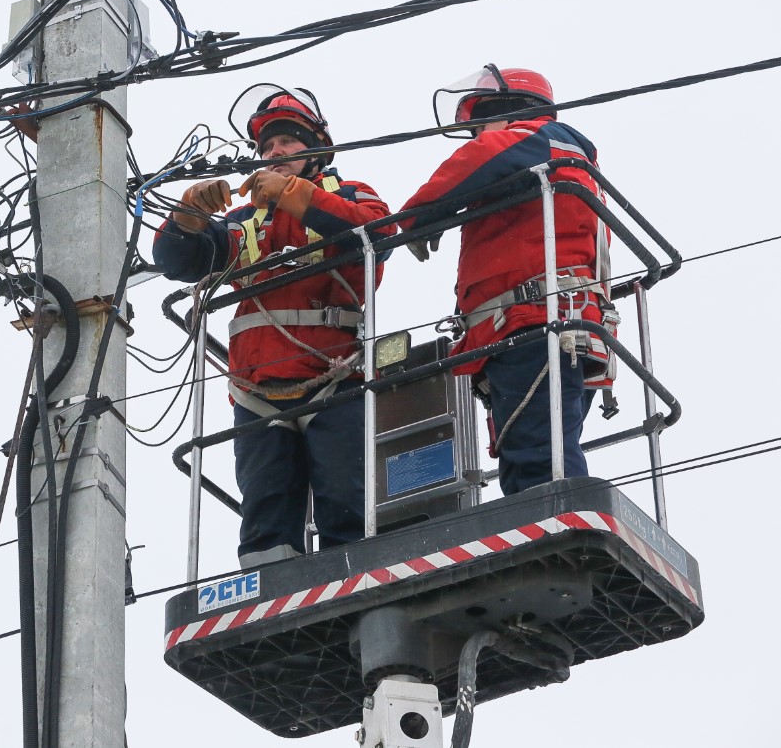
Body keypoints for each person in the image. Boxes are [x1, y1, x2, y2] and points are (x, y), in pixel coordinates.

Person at [153, 87, 394, 568]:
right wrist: (189, 216)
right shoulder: (243, 219)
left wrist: (292, 195)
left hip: (336, 376)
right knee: (264, 514)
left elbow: (379, 235)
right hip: (255, 387)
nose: (273, 153)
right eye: (266, 147)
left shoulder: (348, 195)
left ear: (317, 151)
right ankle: (272, 597)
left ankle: (352, 592)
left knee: (345, 503)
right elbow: (175, 261)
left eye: (286, 142)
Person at [399, 65, 617, 496]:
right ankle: (547, 541)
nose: (478, 135)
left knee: (541, 455)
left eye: (482, 121)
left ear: (512, 109)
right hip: (534, 325)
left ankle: (563, 534)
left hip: (536, 322)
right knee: (527, 454)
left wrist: (418, 216)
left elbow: (481, 157)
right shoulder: (536, 165)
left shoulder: (543, 138)